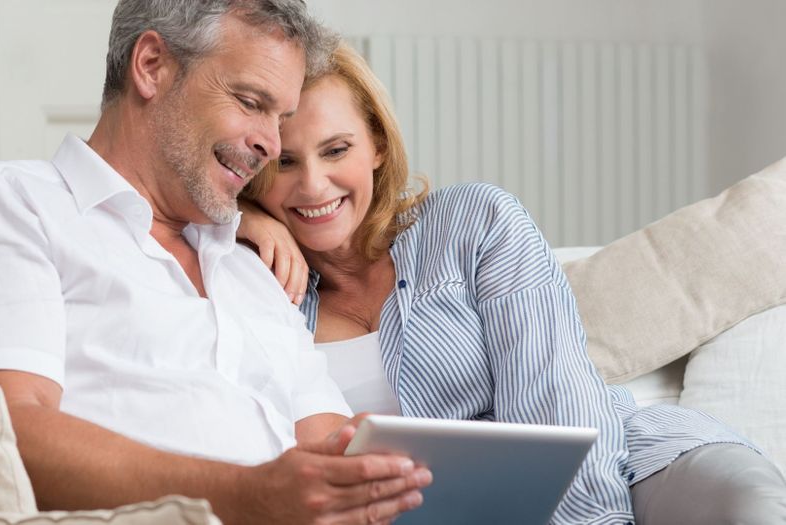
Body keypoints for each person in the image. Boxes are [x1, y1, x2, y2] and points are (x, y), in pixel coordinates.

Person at [0, 2, 433, 523]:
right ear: (152, 66)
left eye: (281, 116)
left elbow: (326, 439)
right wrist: (248, 497)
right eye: (251, 102)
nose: (271, 144)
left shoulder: (252, 270)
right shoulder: (11, 205)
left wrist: (374, 465)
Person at [238, 42, 786, 524]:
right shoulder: (248, 282)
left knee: (750, 510)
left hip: (626, 467)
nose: (313, 185)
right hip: (432, 512)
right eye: (284, 162)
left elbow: (557, 399)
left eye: (337, 150)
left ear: (377, 144)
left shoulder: (475, 221)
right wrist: (237, 222)